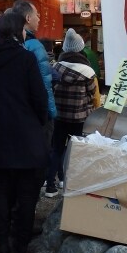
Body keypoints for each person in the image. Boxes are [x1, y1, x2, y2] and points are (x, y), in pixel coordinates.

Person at [0, 12, 48, 253]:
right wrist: (39, 122)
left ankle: (2, 244)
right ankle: (21, 245)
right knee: (26, 196)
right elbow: (40, 98)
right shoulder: (26, 59)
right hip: (26, 137)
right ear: (19, 31)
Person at [47, 29, 98, 198]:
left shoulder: (56, 67)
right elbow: (92, 94)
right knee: (75, 150)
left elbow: (50, 89)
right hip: (79, 117)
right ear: (80, 48)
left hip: (59, 116)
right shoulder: (88, 72)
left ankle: (51, 186)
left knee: (57, 149)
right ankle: (72, 184)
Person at [12, 0, 57, 178]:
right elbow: (44, 83)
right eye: (37, 15)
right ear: (28, 18)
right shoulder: (35, 46)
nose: (39, 18)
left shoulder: (5, 45)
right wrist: (50, 112)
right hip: (37, 114)